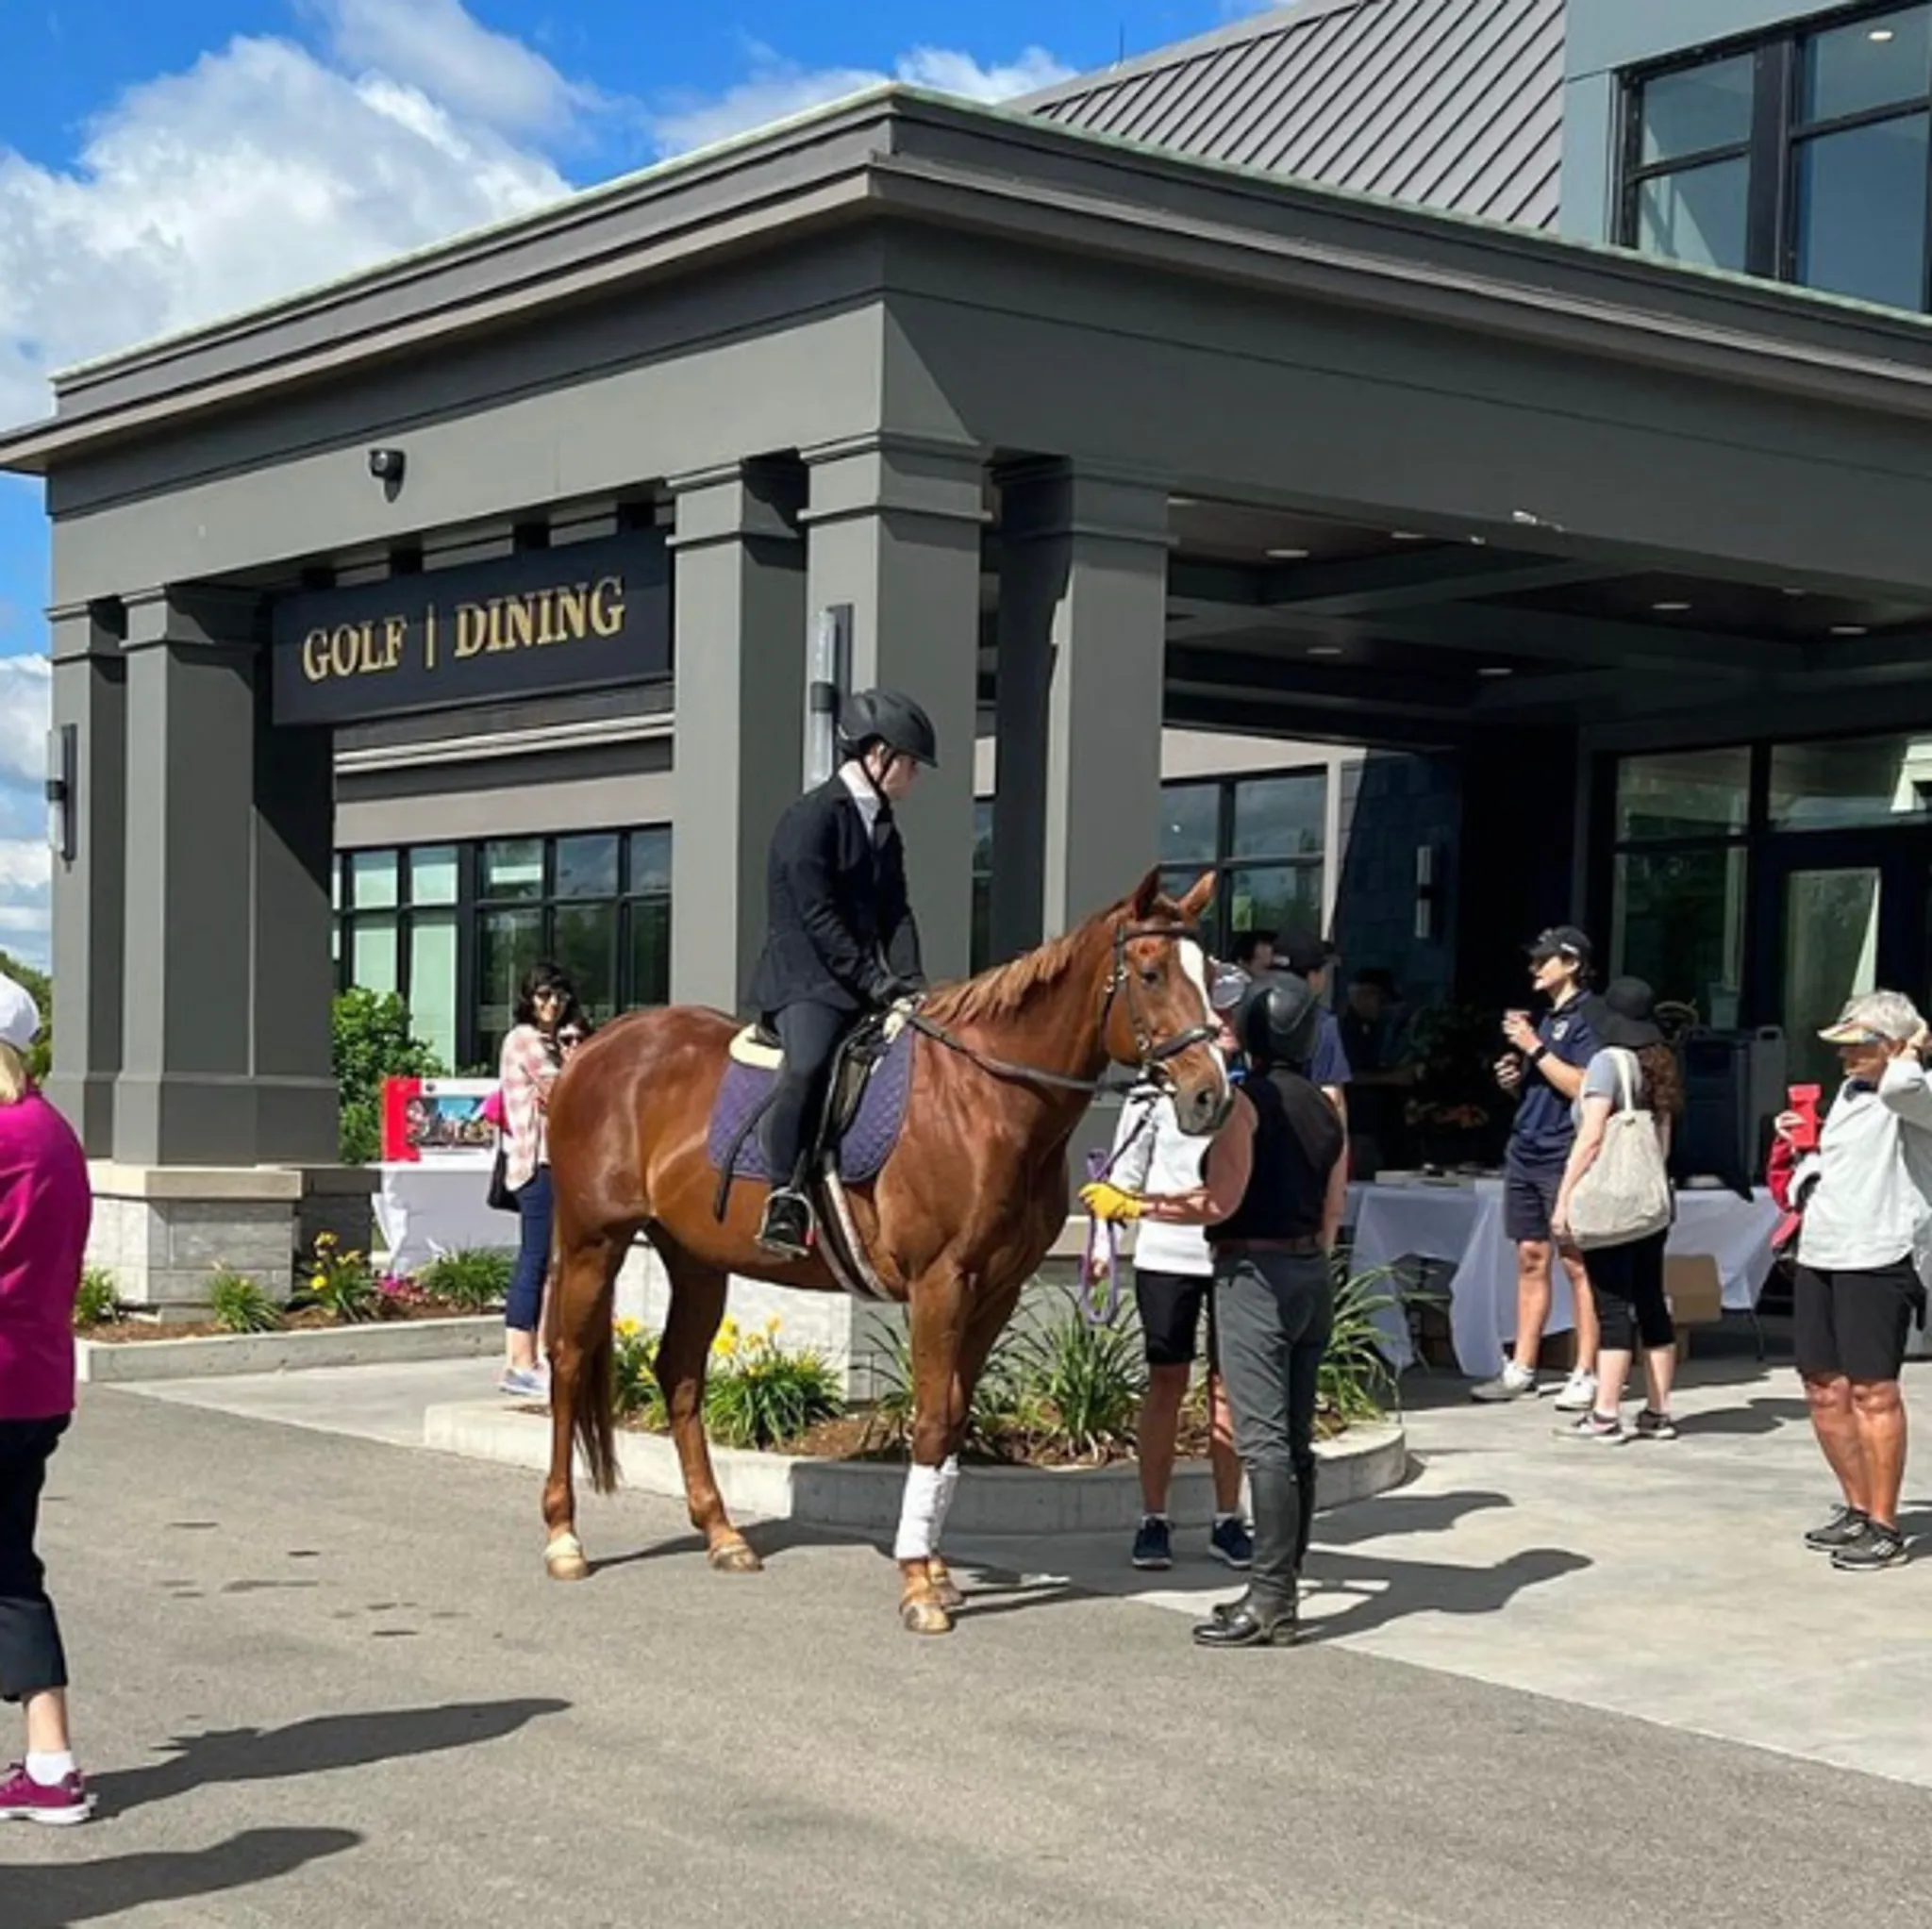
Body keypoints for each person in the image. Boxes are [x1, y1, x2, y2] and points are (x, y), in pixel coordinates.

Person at [1082, 973, 1349, 1649]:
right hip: (1309, 1273)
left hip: (1251, 1271)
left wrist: (1134, 1206)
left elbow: (1216, 1202)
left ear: (1254, 1032)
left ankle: (1269, 1600)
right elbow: (1330, 1211)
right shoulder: (1325, 1108)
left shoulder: (1246, 1103)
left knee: (1261, 1442)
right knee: (1293, 1441)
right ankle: (1282, 1580)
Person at [745, 688, 935, 1259]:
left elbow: (895, 911)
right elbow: (819, 918)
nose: (915, 778)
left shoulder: (883, 826)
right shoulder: (810, 818)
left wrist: (912, 982)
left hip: (858, 980)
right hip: (806, 981)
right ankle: (784, 1195)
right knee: (807, 1066)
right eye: (911, 764)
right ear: (877, 756)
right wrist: (874, 983)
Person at [1773, 990, 1932, 1572]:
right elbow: (1832, 1165)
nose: (1845, 1058)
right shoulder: (1849, 1092)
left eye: (1858, 1045)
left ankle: (1887, 1525)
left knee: (1873, 1390)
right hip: (1824, 1250)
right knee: (1822, 1385)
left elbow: (1902, 1088)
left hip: (1880, 1255)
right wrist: (1801, 1150)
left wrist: (1912, 1050)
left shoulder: (1914, 1092)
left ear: (1892, 1046)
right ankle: (1859, 1505)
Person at [1105, 968, 1253, 1573]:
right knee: (1166, 1382)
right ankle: (1153, 1517)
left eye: (1227, 1021)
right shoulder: (1149, 1098)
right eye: (1214, 1020)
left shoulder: (1248, 1099)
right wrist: (1111, 1215)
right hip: (1168, 1254)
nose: (1222, 1029)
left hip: (1231, 1255)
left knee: (1228, 1391)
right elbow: (1122, 1177)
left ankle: (1227, 1518)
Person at [0, 970, 95, 1824]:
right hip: (35, 1378)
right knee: (8, 1564)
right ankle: (47, 1761)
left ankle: (53, 1762)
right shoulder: (53, 1134)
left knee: (7, 1572)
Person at [1550, 977, 1685, 1444]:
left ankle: (1605, 1412)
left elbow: (1590, 1136)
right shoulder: (1659, 1064)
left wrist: (1565, 1195)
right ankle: (1659, 1410)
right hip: (1651, 1199)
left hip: (1611, 1201)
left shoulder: (1608, 1063)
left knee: (1611, 1304)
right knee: (1651, 1298)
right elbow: (1660, 1140)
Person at [1473, 926, 1602, 1409]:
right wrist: (1514, 1079)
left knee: (1576, 1259)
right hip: (1525, 1145)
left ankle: (1584, 1369)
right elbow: (1544, 1085)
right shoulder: (1547, 1019)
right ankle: (1522, 1365)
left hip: (1564, 1149)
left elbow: (1583, 1087)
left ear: (1571, 962)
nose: (1534, 968)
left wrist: (1534, 1048)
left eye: (1544, 959)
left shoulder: (1590, 1017)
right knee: (1529, 1253)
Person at [497, 960, 574, 1399]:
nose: (552, 1004)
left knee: (549, 1264)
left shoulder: (549, 1041)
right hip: (536, 1164)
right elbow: (560, 1089)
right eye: (544, 995)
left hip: (549, 1164)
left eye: (559, 996)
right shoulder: (525, 1039)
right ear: (529, 999)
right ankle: (518, 1361)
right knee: (535, 1261)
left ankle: (536, 1357)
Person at [1278, 935, 1352, 1124]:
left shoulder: (1248, 1014)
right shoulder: (1321, 1023)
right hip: (1305, 1131)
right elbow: (1331, 1093)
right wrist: (1342, 1149)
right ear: (1312, 976)